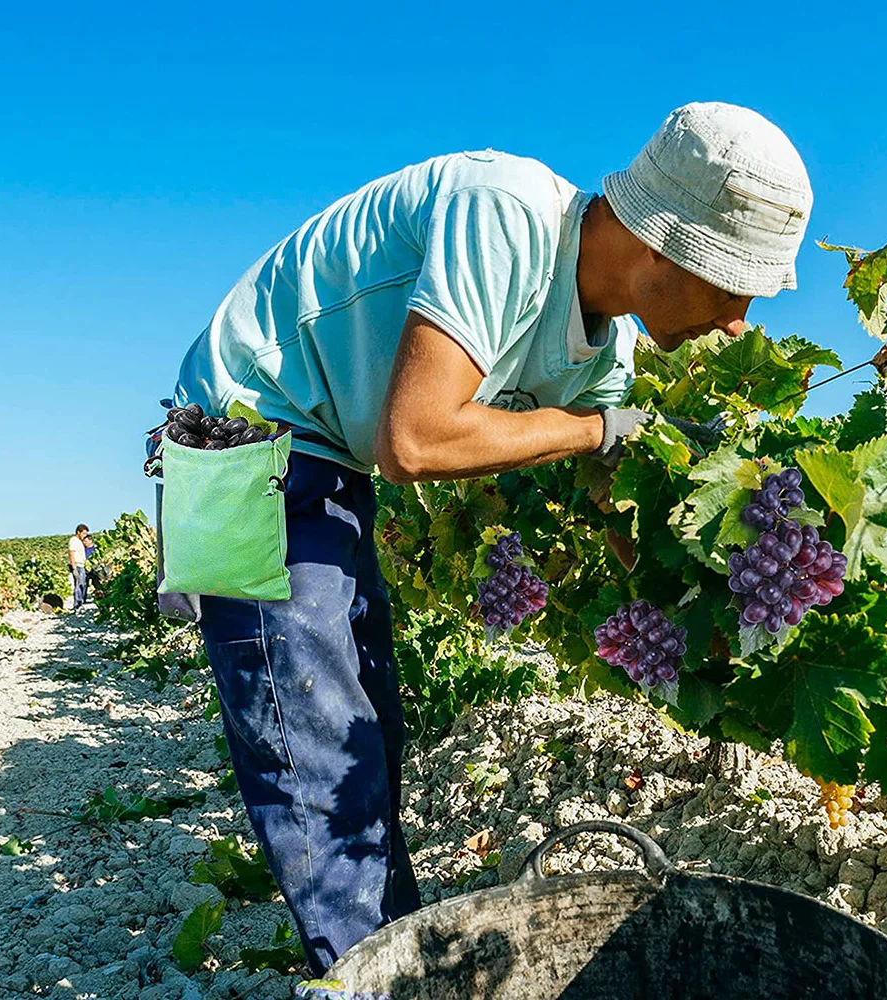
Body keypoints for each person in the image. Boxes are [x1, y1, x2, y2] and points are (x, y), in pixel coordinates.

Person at [171, 102, 812, 974]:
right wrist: (595, 434)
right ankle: (376, 978)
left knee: (370, 732)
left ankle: (386, 957)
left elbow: (607, 501)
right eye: (737, 285)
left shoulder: (603, 355)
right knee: (316, 744)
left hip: (327, 455)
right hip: (248, 431)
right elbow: (417, 440)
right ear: (671, 245)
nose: (739, 322)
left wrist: (705, 607)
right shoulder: (504, 215)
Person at [67, 524, 89, 610]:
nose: (85, 535)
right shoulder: (73, 540)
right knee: (79, 584)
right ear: (78, 532)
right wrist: (74, 568)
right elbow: (71, 554)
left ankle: (80, 602)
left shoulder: (79, 541)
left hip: (81, 565)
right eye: (83, 533)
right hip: (77, 565)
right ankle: (77, 604)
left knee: (82, 584)